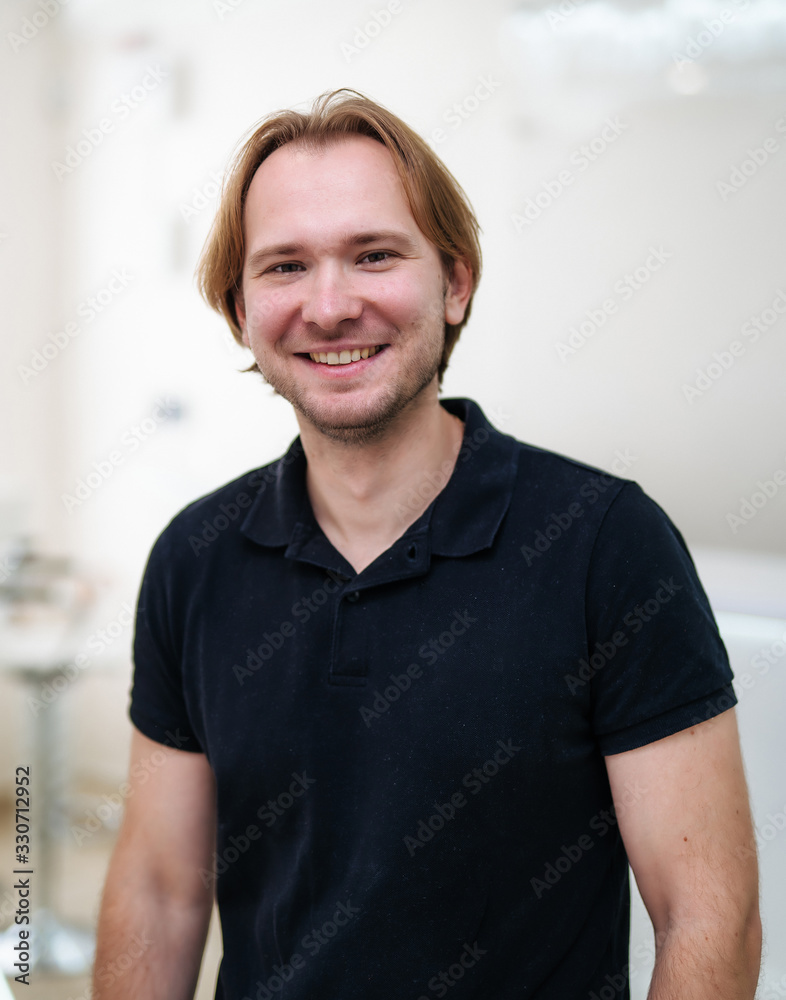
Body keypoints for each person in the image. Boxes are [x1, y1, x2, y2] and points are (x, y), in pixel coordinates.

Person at [92, 89, 762, 999]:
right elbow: (161, 893)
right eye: (285, 266)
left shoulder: (606, 544)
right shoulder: (194, 558)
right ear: (239, 308)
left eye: (373, 255)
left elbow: (706, 916)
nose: (330, 307)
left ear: (454, 281)